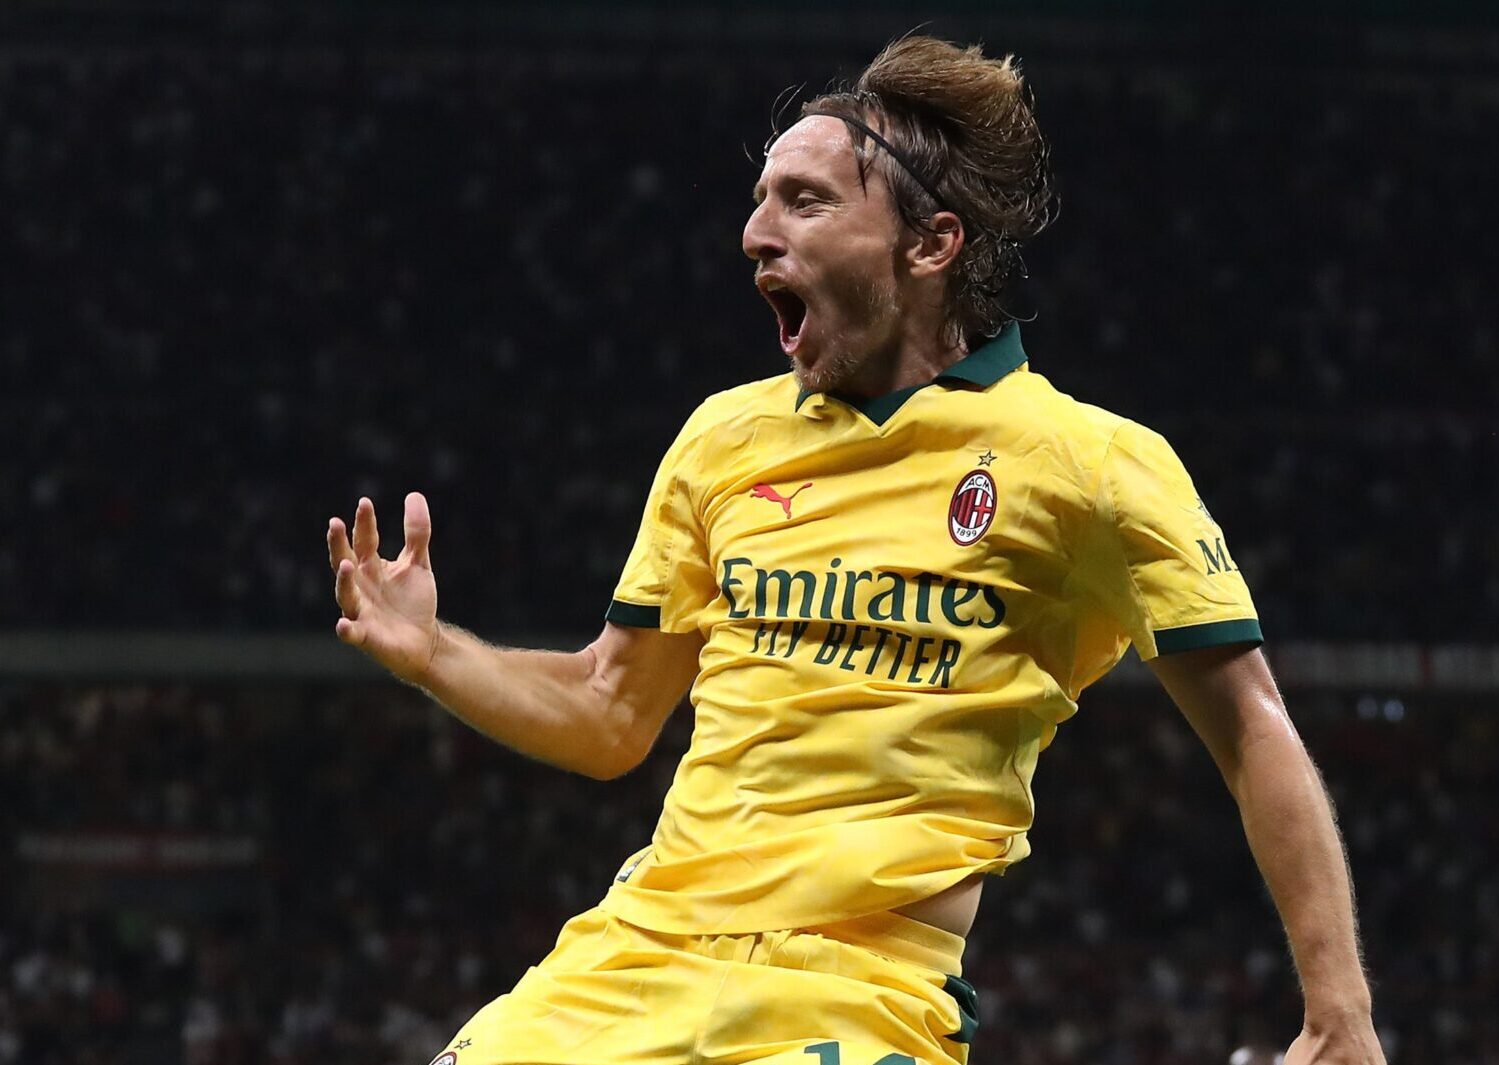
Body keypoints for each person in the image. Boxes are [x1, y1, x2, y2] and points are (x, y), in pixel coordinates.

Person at [327, 35, 1384, 1065]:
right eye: (759, 197)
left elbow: (1250, 725)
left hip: (856, 992)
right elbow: (608, 711)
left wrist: (1337, 1012)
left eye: (804, 200)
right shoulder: (723, 438)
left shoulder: (1087, 464)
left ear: (928, 246)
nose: (753, 232)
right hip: (629, 958)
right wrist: (432, 653)